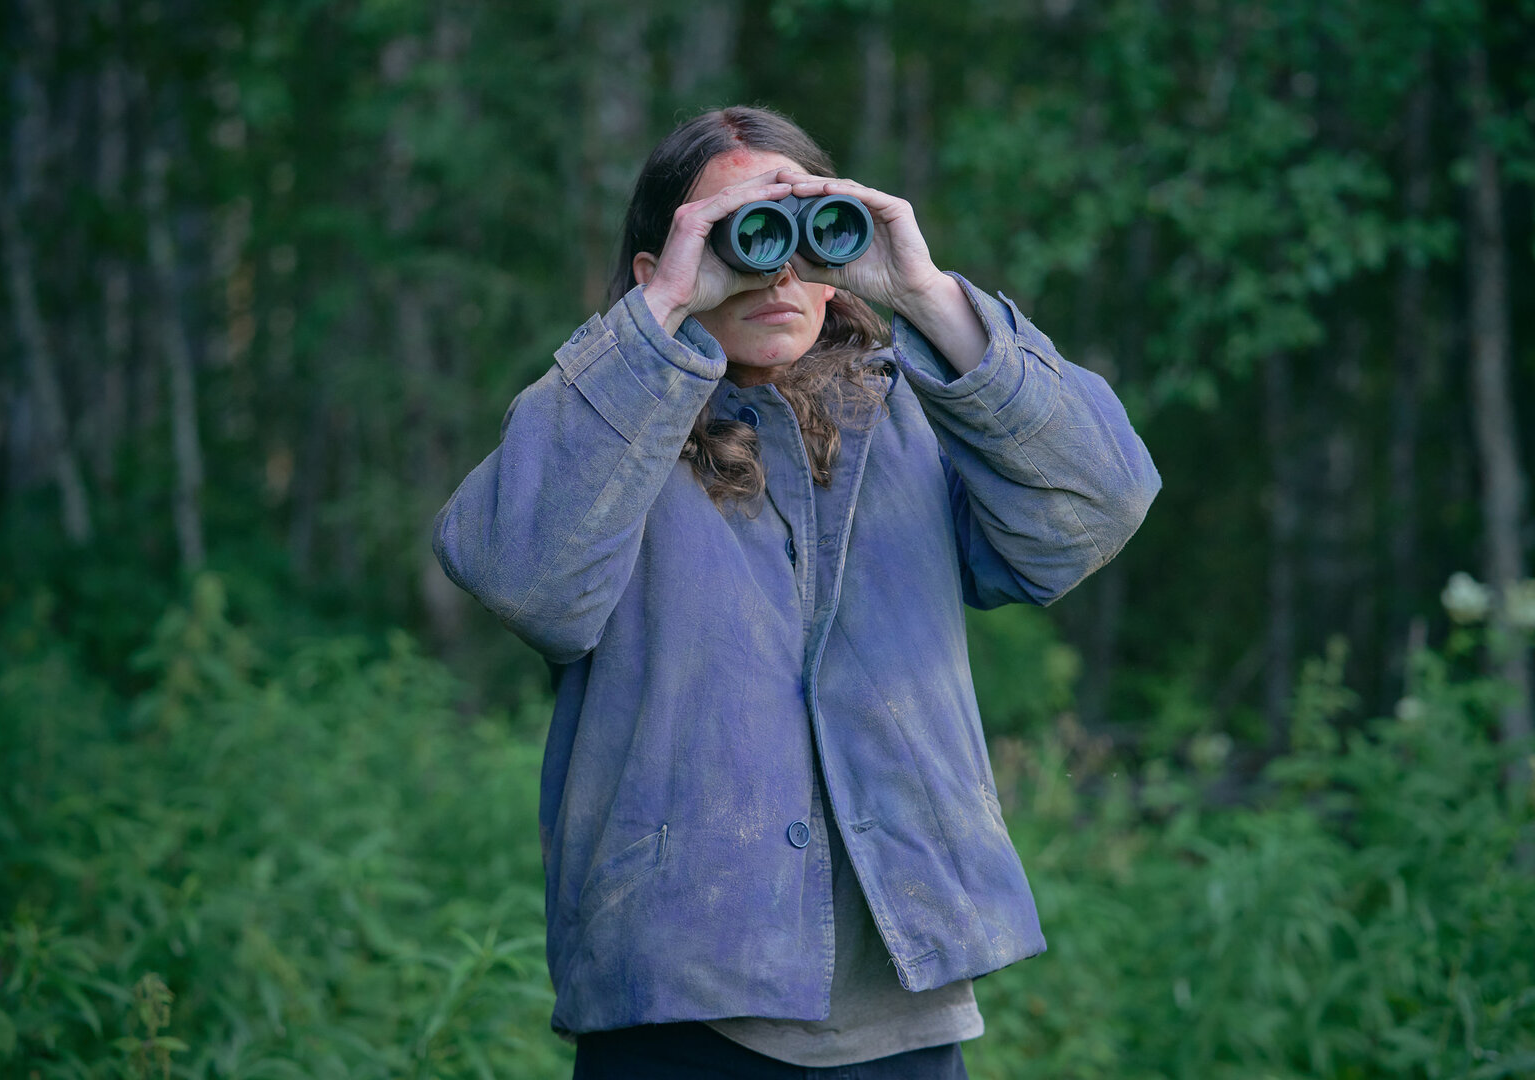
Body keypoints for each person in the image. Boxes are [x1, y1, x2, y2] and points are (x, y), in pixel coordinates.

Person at [431, 105, 1161, 1078]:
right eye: (737, 235)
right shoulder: (609, 442)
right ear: (658, 270)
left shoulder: (918, 421)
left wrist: (925, 291)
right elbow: (522, 572)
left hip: (903, 1006)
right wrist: (654, 333)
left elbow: (1097, 504)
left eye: (797, 226)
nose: (774, 267)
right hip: (681, 998)